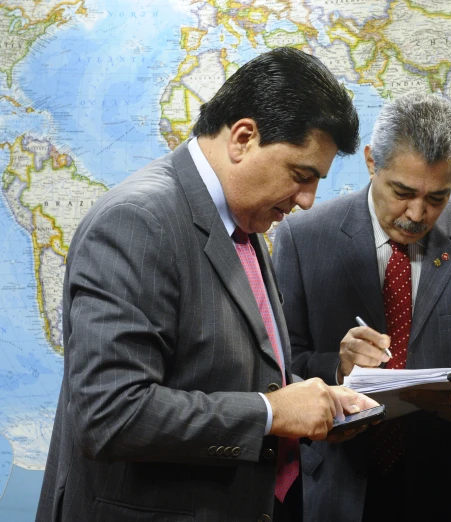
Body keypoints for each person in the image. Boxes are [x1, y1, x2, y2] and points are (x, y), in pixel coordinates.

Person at [36, 47, 378, 522]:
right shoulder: (137, 222)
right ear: (242, 137)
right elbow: (110, 415)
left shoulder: (243, 220)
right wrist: (271, 413)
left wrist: (311, 400)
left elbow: (211, 371)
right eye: (301, 176)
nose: (306, 200)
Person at [272, 93, 451, 522]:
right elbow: (280, 366)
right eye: (402, 192)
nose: (417, 213)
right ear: (372, 162)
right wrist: (337, 368)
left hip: (449, 488)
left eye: (437, 197)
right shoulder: (302, 236)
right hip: (335, 486)